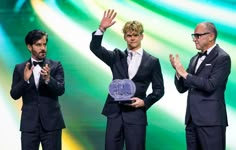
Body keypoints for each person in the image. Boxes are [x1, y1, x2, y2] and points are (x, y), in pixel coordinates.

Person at [90, 9, 164, 150]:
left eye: (135, 35)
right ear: (124, 37)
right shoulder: (116, 56)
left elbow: (159, 90)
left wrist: (145, 102)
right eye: (129, 35)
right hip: (114, 113)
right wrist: (101, 29)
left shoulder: (152, 61)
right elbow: (95, 48)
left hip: (136, 115)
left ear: (142, 36)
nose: (132, 38)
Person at [169, 22, 231, 150]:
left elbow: (211, 85)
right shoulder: (194, 59)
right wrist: (178, 72)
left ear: (211, 36)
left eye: (198, 35)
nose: (194, 39)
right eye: (194, 36)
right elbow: (182, 88)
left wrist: (185, 74)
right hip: (192, 122)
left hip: (211, 123)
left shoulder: (222, 58)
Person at [10, 29, 66, 150]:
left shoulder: (56, 65)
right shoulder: (20, 68)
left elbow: (61, 90)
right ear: (29, 47)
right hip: (29, 125)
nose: (43, 48)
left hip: (52, 124)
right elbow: (14, 94)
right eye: (38, 45)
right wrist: (25, 80)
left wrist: (48, 79)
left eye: (44, 44)